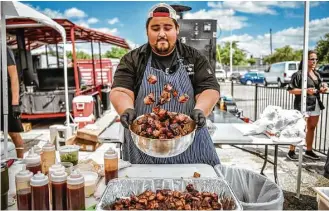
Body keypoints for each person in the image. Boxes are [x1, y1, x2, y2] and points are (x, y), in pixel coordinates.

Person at [110, 3, 220, 166]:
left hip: (189, 142)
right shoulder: (132, 59)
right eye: (155, 28)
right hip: (145, 145)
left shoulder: (194, 57)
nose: (161, 33)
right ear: (147, 31)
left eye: (167, 28)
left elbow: (209, 88)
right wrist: (126, 109)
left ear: (177, 30)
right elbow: (121, 90)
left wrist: (200, 109)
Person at [287, 50, 327, 161]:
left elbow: (318, 88)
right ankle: (291, 151)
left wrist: (323, 88)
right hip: (303, 104)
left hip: (316, 104)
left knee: (312, 127)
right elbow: (290, 90)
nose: (314, 61)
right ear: (306, 60)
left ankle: (309, 150)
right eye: (312, 59)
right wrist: (305, 91)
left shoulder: (317, 74)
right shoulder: (299, 74)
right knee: (299, 127)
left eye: (316, 59)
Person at [1, 47, 24, 158]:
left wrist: (15, 103)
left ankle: (21, 162)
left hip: (5, 96)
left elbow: (14, 76)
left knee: (13, 133)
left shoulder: (3, 48)